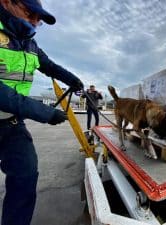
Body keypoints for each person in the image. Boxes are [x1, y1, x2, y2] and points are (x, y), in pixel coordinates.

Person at [0, 0, 84, 224]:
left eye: (39, 19)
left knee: (26, 175)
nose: (35, 22)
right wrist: (44, 113)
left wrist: (73, 80)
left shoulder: (30, 45)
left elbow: (51, 66)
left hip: (11, 123)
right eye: (30, 13)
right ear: (6, 2)